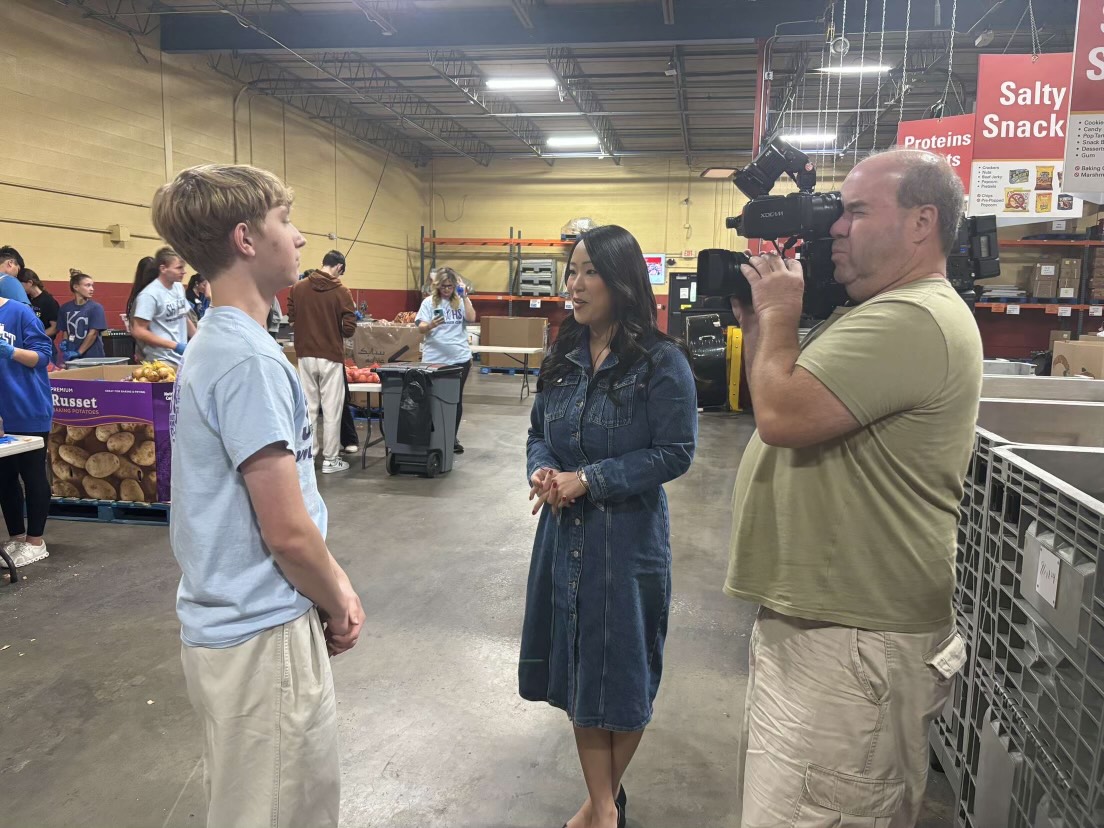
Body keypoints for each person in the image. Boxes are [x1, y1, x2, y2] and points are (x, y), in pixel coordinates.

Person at [724, 149, 982, 827]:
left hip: (854, 645)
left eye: (858, 211)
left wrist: (780, 311)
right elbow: (783, 392)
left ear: (923, 222)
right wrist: (760, 324)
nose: (836, 227)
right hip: (830, 631)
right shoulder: (884, 309)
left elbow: (781, 414)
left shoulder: (912, 317)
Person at [151, 163, 364, 828]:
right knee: (280, 810)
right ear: (246, 238)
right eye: (285, 221)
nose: (298, 238)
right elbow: (287, 532)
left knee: (250, 801)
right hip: (261, 633)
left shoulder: (217, 344)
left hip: (229, 624)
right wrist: (339, 597)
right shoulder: (247, 360)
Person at [520, 225, 698, 828]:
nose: (573, 284)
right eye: (571, 271)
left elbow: (676, 451)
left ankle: (599, 807)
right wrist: (544, 471)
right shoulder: (562, 357)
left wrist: (589, 479)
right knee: (578, 669)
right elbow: (539, 434)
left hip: (626, 542)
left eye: (587, 271)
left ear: (621, 280)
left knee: (623, 672)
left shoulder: (660, 361)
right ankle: (602, 806)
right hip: (563, 536)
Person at [287, 250, 357, 475]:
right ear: (338, 267)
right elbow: (349, 328)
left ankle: (308, 454)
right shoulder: (341, 291)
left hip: (305, 355)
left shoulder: (297, 288)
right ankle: (331, 459)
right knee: (332, 409)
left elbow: (292, 318)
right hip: (331, 355)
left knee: (308, 408)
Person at [0, 293, 55, 569]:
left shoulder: (19, 313)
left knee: (31, 474)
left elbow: (44, 356)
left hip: (28, 407)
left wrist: (11, 351)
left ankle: (35, 541)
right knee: (4, 477)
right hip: (1, 415)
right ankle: (16, 536)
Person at [415, 267, 476, 454]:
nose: (447, 290)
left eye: (450, 286)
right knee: (431, 399)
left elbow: (472, 319)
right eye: (443, 286)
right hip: (434, 359)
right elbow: (420, 327)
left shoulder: (460, 301)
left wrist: (464, 296)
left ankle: (451, 437)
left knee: (454, 400)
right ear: (437, 286)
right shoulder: (428, 303)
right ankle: (431, 436)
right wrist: (431, 325)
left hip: (459, 358)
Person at [130, 247, 195, 367]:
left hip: (182, 358)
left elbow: (184, 317)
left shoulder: (179, 288)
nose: (184, 272)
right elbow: (139, 330)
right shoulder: (149, 295)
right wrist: (174, 345)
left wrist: (197, 339)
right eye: (178, 268)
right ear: (163, 268)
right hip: (161, 359)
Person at [58, 272, 108, 362]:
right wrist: (65, 342)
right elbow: (66, 330)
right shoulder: (65, 308)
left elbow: (93, 333)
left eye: (92, 286)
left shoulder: (96, 308)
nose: (92, 289)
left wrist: (79, 352)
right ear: (76, 287)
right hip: (72, 356)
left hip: (92, 357)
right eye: (87, 285)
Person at [18, 269, 60, 338]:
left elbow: (55, 328)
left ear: (30, 282)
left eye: (20, 285)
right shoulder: (25, 298)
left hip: (41, 343)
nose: (18, 288)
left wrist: (36, 336)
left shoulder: (48, 301)